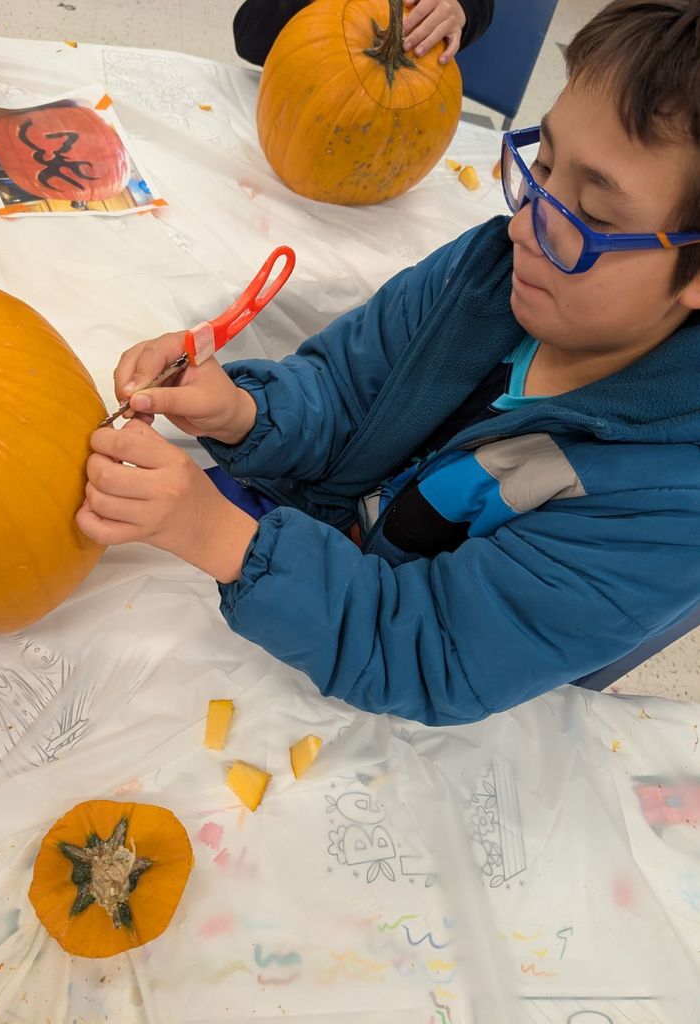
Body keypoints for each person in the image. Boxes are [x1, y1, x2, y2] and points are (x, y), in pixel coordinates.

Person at [77, 0, 700, 727]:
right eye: (546, 164)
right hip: (305, 582)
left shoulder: (668, 499)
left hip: (418, 711)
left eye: (591, 217)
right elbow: (344, 392)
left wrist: (216, 536)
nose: (527, 224)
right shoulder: (485, 270)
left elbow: (435, 653)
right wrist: (242, 411)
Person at [233, 0, 494, 67]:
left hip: (404, 119)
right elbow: (249, 38)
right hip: (307, 102)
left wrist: (461, 8)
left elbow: (481, 6)